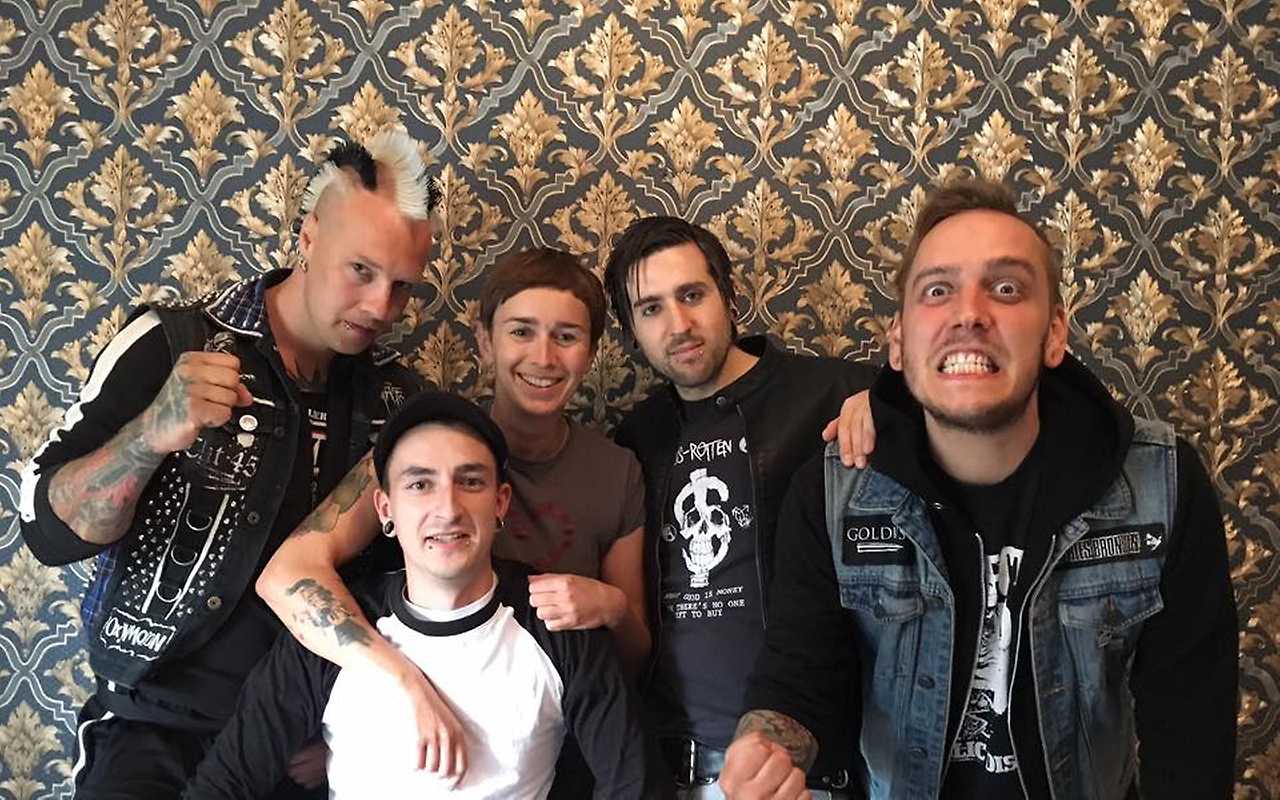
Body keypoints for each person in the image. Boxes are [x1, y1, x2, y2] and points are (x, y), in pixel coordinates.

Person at [719, 179, 1238, 799]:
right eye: (938, 290)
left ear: (1054, 334)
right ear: (899, 342)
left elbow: (1190, 732)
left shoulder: (1161, 484)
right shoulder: (832, 494)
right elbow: (801, 675)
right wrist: (766, 746)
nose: (969, 313)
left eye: (1007, 288)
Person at [16, 130, 437, 797]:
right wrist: (149, 434)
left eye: (402, 286)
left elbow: (407, 587)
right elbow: (46, 532)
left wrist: (351, 719)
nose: (381, 307)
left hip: (304, 739)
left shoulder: (398, 402)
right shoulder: (169, 343)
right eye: (361, 270)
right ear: (308, 237)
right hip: (151, 727)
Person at [253, 247, 649, 784]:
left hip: (563, 743)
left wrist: (613, 607)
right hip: (415, 736)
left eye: (566, 336)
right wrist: (365, 721)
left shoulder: (617, 471)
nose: (544, 357)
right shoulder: (424, 448)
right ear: (484, 342)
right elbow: (288, 576)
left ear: (592, 352)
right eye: (521, 331)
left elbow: (634, 658)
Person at [182, 392, 654, 799]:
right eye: (420, 484)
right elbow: (223, 785)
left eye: (470, 481)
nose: (447, 508)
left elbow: (636, 785)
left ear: (500, 503)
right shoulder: (331, 632)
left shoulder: (557, 623)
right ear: (385, 509)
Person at [602, 217, 877, 798]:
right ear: (630, 331)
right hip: (674, 771)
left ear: (729, 295)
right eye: (651, 309)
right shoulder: (636, 439)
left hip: (806, 771)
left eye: (692, 295)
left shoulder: (833, 395)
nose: (679, 325)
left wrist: (889, 403)